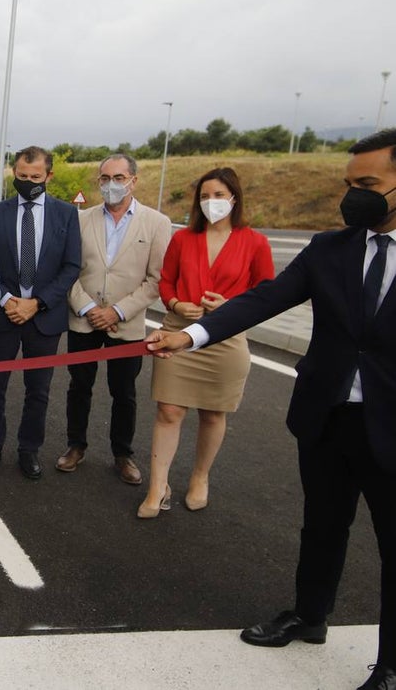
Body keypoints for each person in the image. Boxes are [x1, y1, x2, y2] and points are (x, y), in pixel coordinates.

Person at [146, 129, 396, 690]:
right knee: (323, 525)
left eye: (370, 184)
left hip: (391, 426)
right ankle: (310, 616)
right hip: (328, 415)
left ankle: (392, 665)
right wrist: (191, 337)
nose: (355, 195)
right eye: (349, 184)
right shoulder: (330, 249)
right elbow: (264, 301)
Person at [137, 168, 273, 518]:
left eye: (217, 195)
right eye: (204, 196)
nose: (211, 202)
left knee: (213, 414)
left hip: (226, 335)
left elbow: (268, 292)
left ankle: (200, 477)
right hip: (178, 330)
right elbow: (166, 282)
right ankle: (157, 487)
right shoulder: (183, 239)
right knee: (169, 411)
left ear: (234, 198)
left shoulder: (254, 241)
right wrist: (175, 303)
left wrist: (231, 306)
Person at [0, 146, 82, 479]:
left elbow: (71, 265)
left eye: (35, 177)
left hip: (44, 318)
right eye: (22, 176)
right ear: (13, 174)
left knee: (39, 389)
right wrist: (7, 300)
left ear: (49, 176)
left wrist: (37, 303)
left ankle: (29, 449)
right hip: (3, 314)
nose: (28, 181)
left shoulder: (66, 215)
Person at [62, 153, 171, 484]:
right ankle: (75, 446)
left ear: (133, 181)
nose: (111, 185)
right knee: (79, 386)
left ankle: (122, 454)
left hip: (127, 324)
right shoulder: (80, 220)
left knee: (123, 392)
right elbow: (68, 271)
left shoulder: (157, 223)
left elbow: (156, 280)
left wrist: (117, 311)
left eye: (118, 178)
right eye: (104, 178)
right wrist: (88, 308)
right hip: (84, 320)